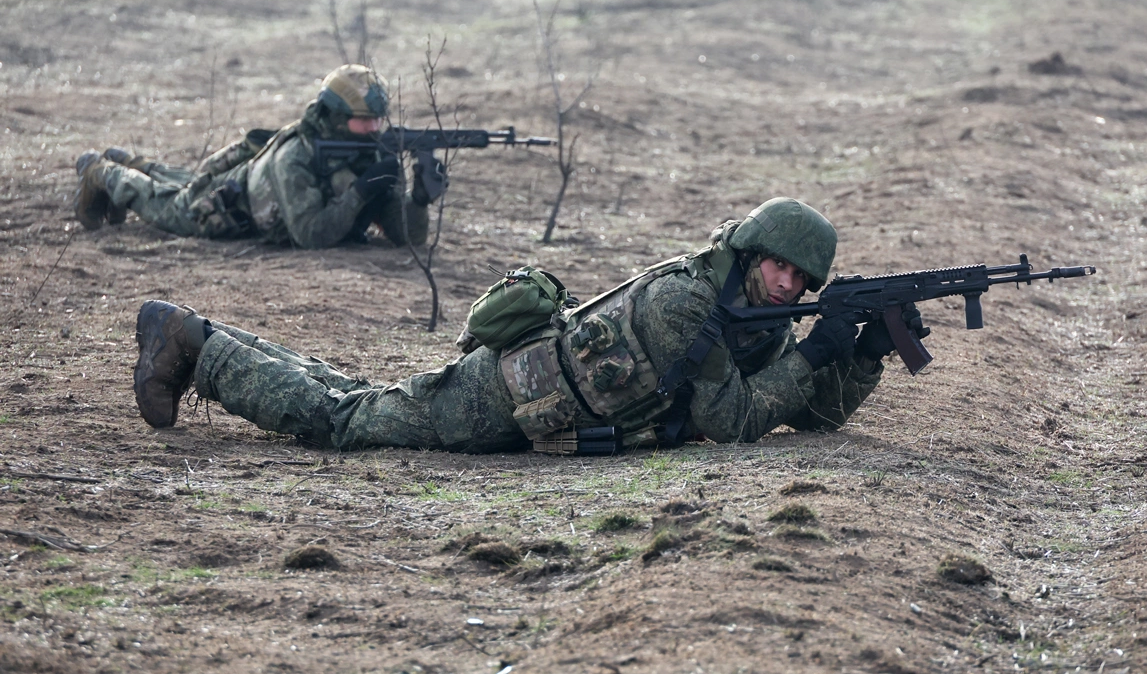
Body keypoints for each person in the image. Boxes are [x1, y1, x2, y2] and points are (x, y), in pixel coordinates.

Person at [131, 197, 930, 454]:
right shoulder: (689, 304)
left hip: (548, 412)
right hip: (506, 397)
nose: (790, 285)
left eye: (803, 280)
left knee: (357, 394)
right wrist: (814, 349)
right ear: (753, 252)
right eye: (782, 268)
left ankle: (199, 334)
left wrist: (857, 357)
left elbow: (812, 419)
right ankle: (195, 349)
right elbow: (733, 420)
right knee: (347, 421)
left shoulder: (754, 315)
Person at [72, 64, 436, 248]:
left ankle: (131, 160)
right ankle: (101, 172)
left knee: (180, 180)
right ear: (337, 117)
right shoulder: (294, 155)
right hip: (224, 209)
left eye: (378, 119)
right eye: (364, 120)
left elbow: (405, 238)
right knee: (163, 203)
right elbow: (310, 235)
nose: (375, 127)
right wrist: (361, 190)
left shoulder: (372, 152)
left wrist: (417, 200)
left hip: (249, 188)